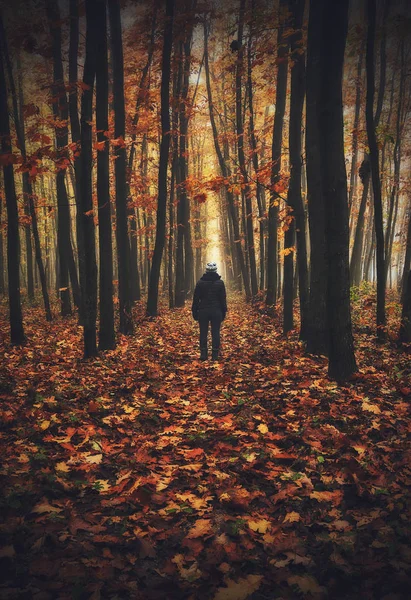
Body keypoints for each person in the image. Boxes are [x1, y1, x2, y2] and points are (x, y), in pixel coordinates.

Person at [192, 262, 227, 361]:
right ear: (216, 271)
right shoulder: (220, 283)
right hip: (217, 311)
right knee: (215, 332)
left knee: (203, 332)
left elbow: (196, 299)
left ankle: (203, 354)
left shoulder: (200, 283)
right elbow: (223, 299)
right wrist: (224, 311)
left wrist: (194, 311)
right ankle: (215, 355)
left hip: (203, 311)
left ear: (206, 271)